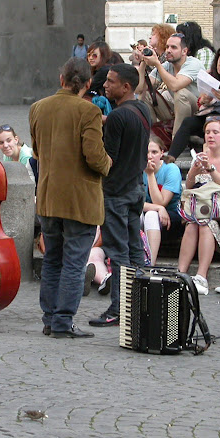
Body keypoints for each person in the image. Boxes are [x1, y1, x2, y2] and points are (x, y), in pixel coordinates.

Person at [30, 57, 112, 338]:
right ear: (88, 83)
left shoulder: (38, 108)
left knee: (53, 259)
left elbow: (37, 152)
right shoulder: (87, 111)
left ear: (61, 79)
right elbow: (94, 156)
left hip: (49, 196)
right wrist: (108, 164)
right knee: (75, 263)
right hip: (79, 199)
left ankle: (50, 319)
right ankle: (64, 321)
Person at [90, 63, 151, 327]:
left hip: (115, 192)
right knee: (135, 248)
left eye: (111, 82)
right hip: (136, 188)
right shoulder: (142, 109)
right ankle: (141, 303)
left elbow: (109, 160)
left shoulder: (117, 117)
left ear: (126, 87)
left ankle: (118, 308)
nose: (105, 85)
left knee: (117, 251)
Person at [177, 117, 220, 295]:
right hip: (202, 209)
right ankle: (181, 273)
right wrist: (192, 172)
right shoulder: (199, 158)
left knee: (205, 222)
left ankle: (201, 276)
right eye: (207, 132)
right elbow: (190, 188)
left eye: (215, 132)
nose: (210, 136)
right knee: (193, 223)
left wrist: (211, 170)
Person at [169, 43, 220, 159]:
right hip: (209, 114)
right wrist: (204, 100)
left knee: (214, 118)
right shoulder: (210, 75)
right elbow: (201, 102)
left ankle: (209, 156)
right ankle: (171, 156)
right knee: (188, 122)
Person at [135, 32, 201, 140]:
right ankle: (153, 137)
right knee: (147, 95)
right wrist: (143, 62)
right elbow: (139, 89)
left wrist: (157, 64)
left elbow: (175, 86)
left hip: (196, 113)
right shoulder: (166, 66)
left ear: (184, 51)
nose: (168, 50)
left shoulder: (193, 64)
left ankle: (177, 141)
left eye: (173, 47)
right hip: (176, 110)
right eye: (167, 47)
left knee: (181, 93)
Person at [141, 136, 183, 266]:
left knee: (151, 214)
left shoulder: (171, 169)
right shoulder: (137, 170)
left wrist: (150, 174)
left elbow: (161, 202)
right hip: (151, 213)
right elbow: (132, 202)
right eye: (146, 152)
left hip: (171, 219)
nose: (149, 156)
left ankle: (150, 263)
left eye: (154, 152)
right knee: (134, 214)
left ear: (162, 153)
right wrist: (158, 208)